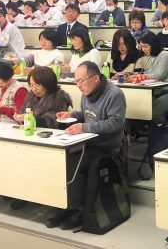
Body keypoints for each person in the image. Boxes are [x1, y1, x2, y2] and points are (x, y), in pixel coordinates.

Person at [51, 61, 126, 230]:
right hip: (87, 142)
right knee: (61, 159)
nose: (78, 85)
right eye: (76, 81)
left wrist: (83, 127)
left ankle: (77, 210)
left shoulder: (114, 94)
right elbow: (86, 116)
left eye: (81, 81)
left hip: (106, 146)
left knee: (74, 164)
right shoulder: (87, 93)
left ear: (95, 78)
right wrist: (72, 115)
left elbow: (115, 123)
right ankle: (64, 206)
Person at [135, 32, 168, 161]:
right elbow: (148, 73)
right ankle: (155, 129)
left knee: (153, 110)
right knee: (140, 105)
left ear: (153, 44)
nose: (143, 49)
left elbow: (158, 76)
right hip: (159, 92)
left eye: (146, 46)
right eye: (142, 47)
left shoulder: (165, 55)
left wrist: (138, 77)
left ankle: (163, 129)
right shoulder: (152, 57)